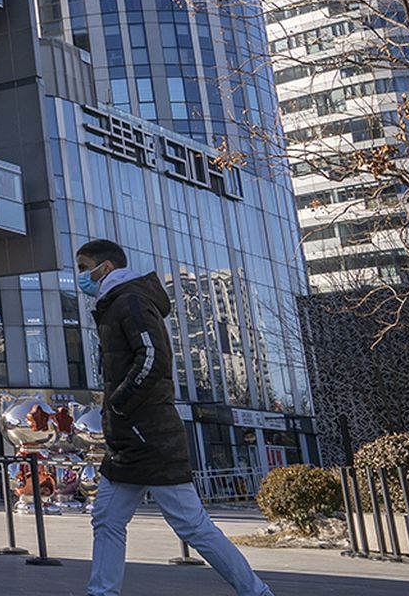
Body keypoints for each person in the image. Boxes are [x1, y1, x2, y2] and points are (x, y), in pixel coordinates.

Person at [78, 238, 274, 596]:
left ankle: (257, 592)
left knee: (192, 525)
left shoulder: (130, 301)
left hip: (149, 436)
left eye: (82, 267)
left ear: (104, 268)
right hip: (129, 440)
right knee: (106, 518)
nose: (80, 277)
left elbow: (153, 357)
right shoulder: (117, 302)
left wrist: (119, 403)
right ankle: (101, 592)